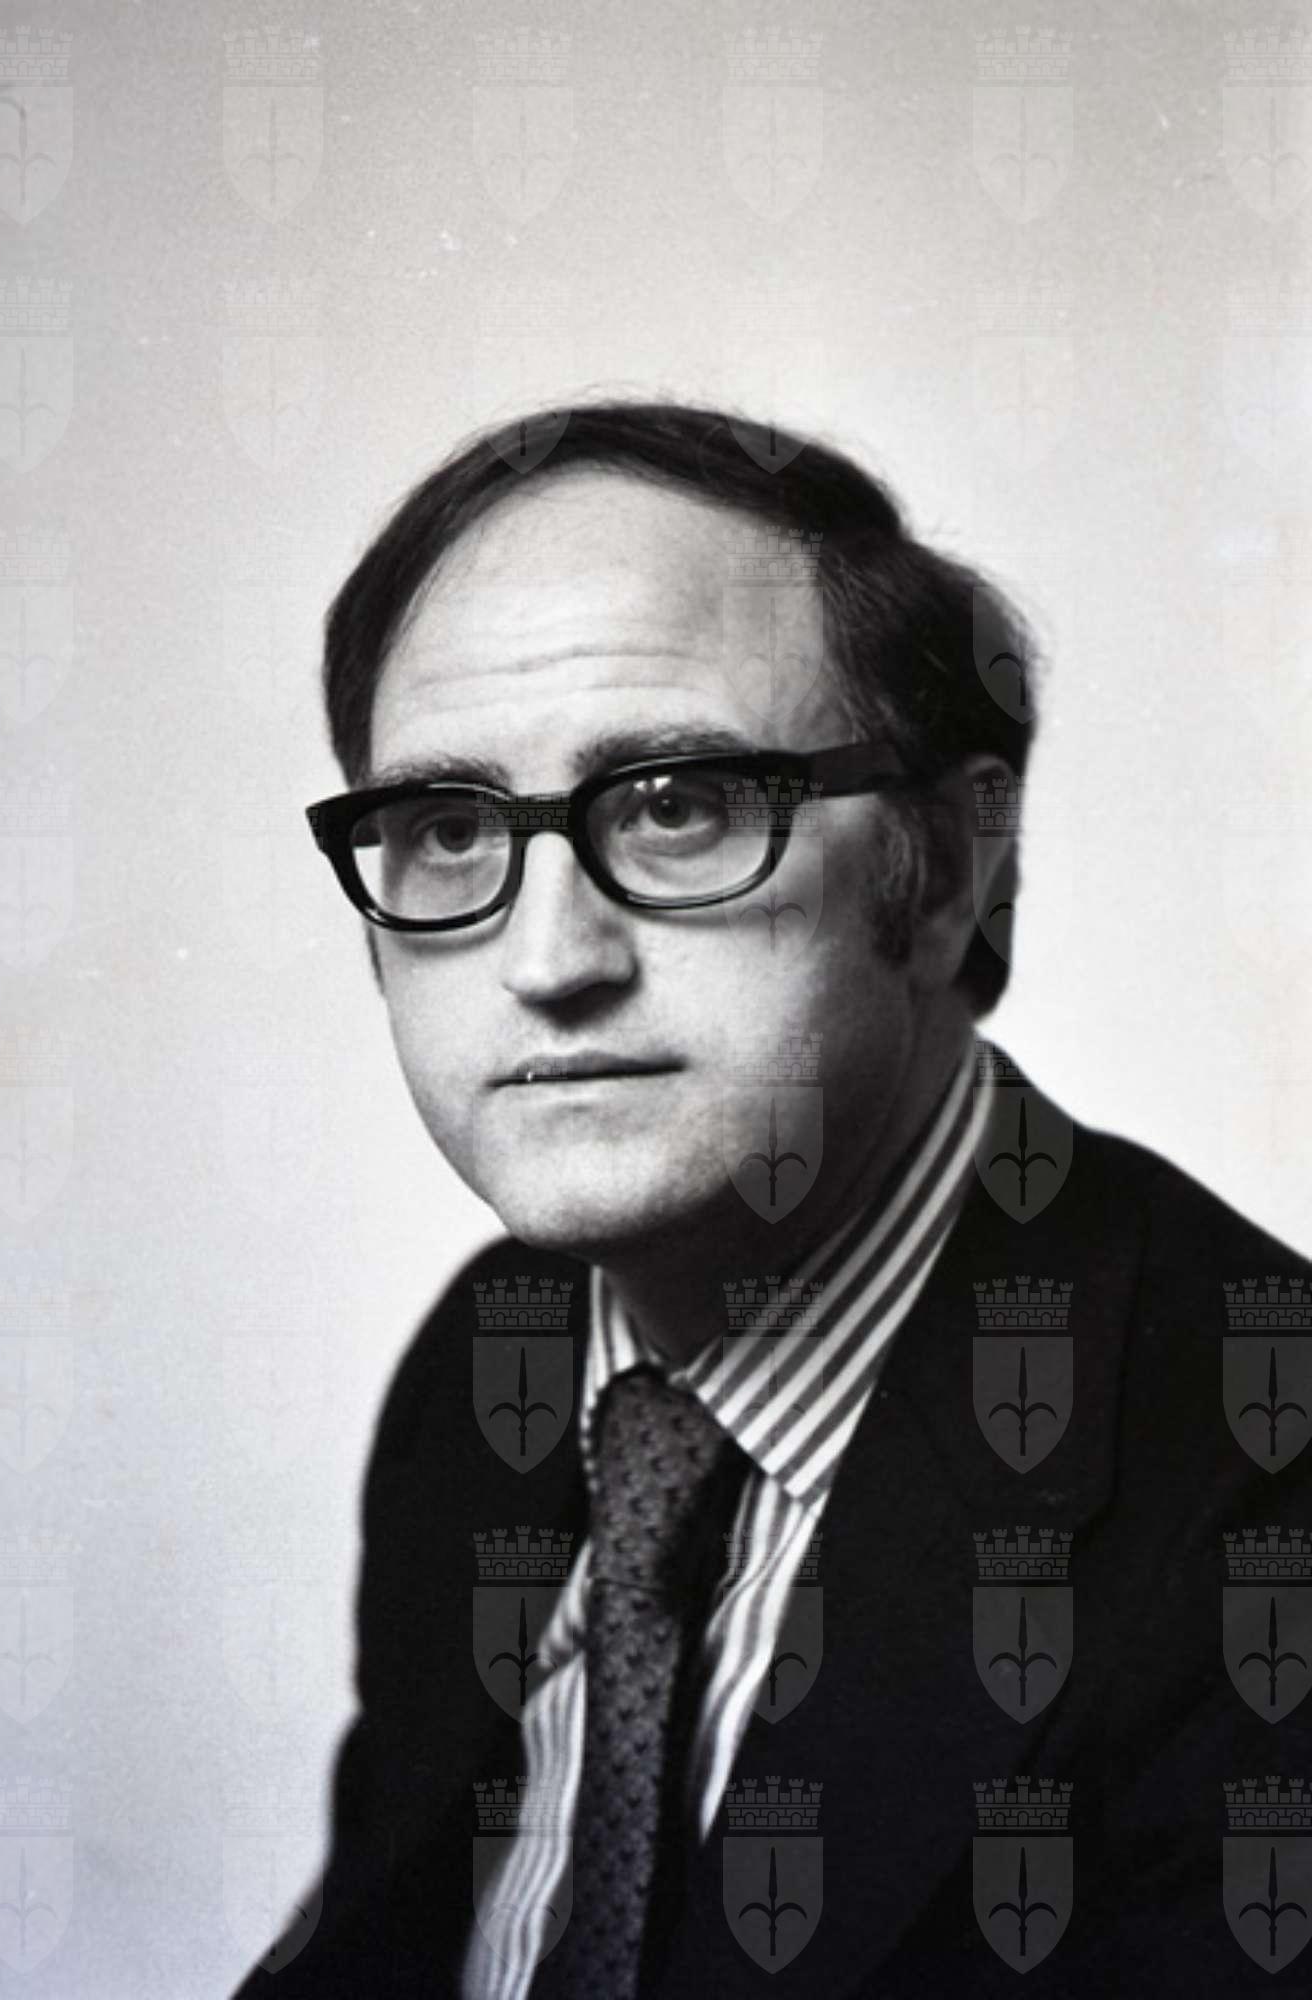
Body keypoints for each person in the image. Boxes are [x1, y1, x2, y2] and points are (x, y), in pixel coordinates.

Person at [234, 403, 1312, 1999]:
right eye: (449, 830)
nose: (549, 962)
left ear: (947, 872)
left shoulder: (1265, 1486)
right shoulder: (493, 1360)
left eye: (678, 803)